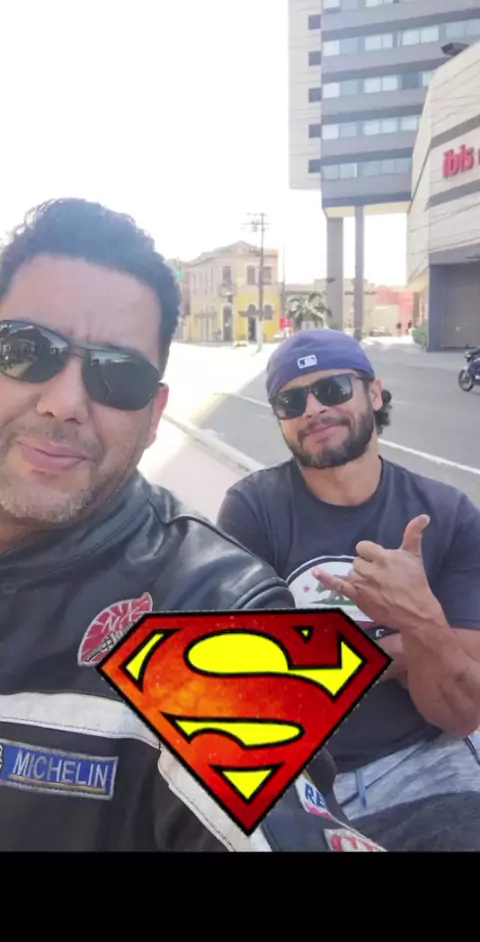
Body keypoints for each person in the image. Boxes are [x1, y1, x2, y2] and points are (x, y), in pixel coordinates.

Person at [0, 197, 379, 853]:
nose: (63, 403)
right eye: (27, 350)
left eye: (118, 375)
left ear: (154, 417)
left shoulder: (213, 617)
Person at [217, 328, 480, 851]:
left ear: (374, 393)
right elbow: (253, 683)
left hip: (422, 762)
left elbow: (460, 713)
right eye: (292, 400)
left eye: (333, 389)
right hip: (298, 776)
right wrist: (404, 647)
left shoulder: (446, 515)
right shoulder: (252, 511)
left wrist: (419, 616)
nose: (314, 408)